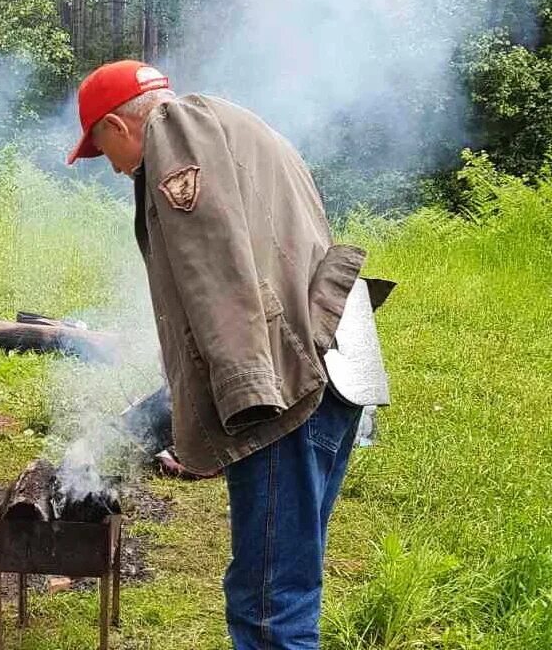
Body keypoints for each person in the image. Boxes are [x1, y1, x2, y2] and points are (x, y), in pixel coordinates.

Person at [68, 60, 389, 650]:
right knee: (288, 586)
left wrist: (242, 405)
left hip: (286, 385)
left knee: (268, 611)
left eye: (101, 150)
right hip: (341, 358)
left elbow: (217, 271)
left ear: (116, 125)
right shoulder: (233, 120)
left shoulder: (175, 133)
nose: (113, 169)